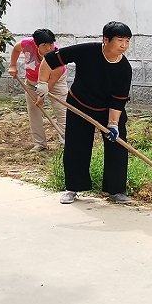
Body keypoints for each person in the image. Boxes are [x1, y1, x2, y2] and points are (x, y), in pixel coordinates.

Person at [35, 21, 133, 205]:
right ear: (106, 39)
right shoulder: (87, 51)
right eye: (120, 40)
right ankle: (73, 188)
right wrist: (42, 82)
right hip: (79, 105)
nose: (124, 46)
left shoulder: (124, 69)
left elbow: (118, 100)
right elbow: (50, 60)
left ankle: (115, 190)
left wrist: (112, 124)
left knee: (117, 146)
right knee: (76, 146)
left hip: (107, 110)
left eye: (127, 41)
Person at [8, 29, 67, 152]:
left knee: (62, 110)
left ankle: (65, 143)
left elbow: (50, 82)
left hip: (55, 83)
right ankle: (40, 144)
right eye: (44, 45)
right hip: (31, 82)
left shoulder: (57, 57)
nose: (49, 48)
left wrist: (41, 97)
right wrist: (12, 65)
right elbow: (16, 49)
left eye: (51, 44)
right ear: (36, 45)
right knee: (33, 110)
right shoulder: (27, 44)